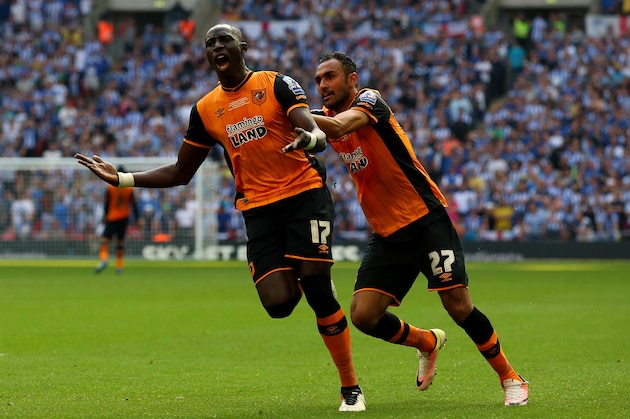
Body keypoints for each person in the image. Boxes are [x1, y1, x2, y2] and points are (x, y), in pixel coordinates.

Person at [75, 25, 365, 412]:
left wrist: (307, 139)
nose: (216, 46)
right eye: (209, 43)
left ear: (241, 47)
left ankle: (351, 388)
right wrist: (125, 179)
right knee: (278, 304)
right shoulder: (205, 109)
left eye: (223, 39)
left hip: (303, 196)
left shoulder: (276, 83)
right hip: (258, 209)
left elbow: (315, 133)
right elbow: (181, 172)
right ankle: (304, 268)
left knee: (316, 287)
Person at [283, 51, 528, 406]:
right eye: (318, 79)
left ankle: (511, 378)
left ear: (351, 79)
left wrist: (304, 121)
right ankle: (426, 342)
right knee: (364, 315)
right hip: (387, 232)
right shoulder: (324, 118)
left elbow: (336, 127)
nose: (321, 85)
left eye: (330, 77)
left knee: (458, 306)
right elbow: (313, 128)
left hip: (425, 218)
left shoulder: (370, 101)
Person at [94, 165, 140, 275]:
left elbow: (107, 203)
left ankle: (104, 259)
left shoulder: (111, 187)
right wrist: (138, 218)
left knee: (105, 240)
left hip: (112, 216)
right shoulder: (129, 188)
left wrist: (105, 216)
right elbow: (134, 204)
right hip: (124, 217)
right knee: (120, 242)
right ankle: (119, 267)